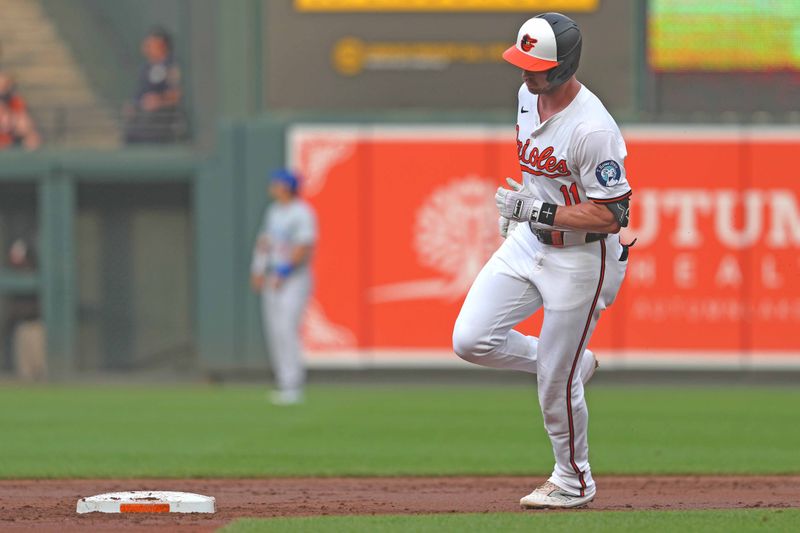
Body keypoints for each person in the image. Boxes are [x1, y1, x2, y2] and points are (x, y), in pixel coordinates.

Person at [452, 13, 632, 509]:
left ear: (564, 66)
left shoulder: (593, 129)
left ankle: (574, 479)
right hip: (531, 240)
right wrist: (524, 214)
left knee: (555, 384)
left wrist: (539, 208)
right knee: (470, 339)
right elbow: (539, 173)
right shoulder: (526, 97)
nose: (526, 74)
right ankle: (572, 364)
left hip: (583, 258)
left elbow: (613, 214)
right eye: (523, 63)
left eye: (537, 66)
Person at [250, 169, 317, 405]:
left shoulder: (302, 213)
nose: (272, 187)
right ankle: (283, 380)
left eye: (277, 184)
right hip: (273, 277)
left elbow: (304, 245)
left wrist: (284, 271)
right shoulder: (274, 211)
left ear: (287, 187)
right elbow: (265, 242)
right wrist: (258, 269)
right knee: (275, 330)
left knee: (287, 329)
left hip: (294, 279)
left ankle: (293, 383)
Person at [124, 27, 185, 144]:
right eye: (148, 44)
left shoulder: (170, 66)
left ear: (162, 45)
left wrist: (159, 100)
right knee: (130, 135)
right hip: (140, 117)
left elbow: (177, 94)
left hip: (160, 119)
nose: (148, 48)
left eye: (152, 44)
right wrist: (132, 104)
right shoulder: (146, 67)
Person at [0, 72, 41, 150]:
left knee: (32, 138)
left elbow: (24, 125)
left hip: (10, 143)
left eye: (4, 86)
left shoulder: (15, 102)